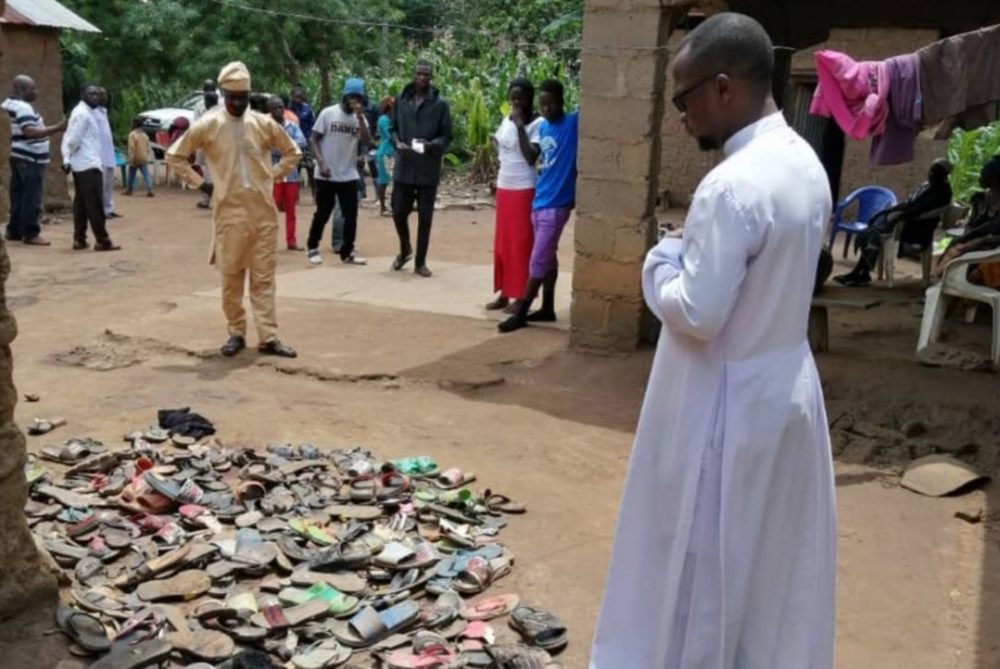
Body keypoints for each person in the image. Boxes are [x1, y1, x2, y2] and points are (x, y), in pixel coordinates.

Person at [589, 13, 835, 669]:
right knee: (769, 567)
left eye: (683, 99)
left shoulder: (732, 185)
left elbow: (698, 311)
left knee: (703, 564)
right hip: (784, 394)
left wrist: (659, 264)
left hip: (726, 406)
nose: (681, 117)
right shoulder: (804, 162)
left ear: (723, 87)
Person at [166, 61, 301, 359]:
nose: (238, 103)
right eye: (232, 98)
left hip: (263, 213)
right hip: (229, 213)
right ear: (224, 95)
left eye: (243, 97)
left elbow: (293, 152)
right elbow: (175, 156)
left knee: (264, 278)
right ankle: (236, 333)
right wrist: (202, 184)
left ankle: (269, 336)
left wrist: (272, 175)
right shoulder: (209, 124)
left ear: (249, 95)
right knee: (231, 277)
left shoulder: (263, 124)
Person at [497, 79, 577, 332]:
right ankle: (548, 308)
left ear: (562, 100)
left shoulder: (573, 122)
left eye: (551, 103)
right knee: (548, 258)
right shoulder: (544, 128)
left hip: (557, 203)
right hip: (540, 199)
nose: (546, 108)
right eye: (543, 104)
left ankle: (522, 312)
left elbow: (530, 157)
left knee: (538, 258)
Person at [834, 158, 953, 286]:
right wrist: (886, 212)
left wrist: (897, 216)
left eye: (935, 172)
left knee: (875, 233)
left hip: (918, 225)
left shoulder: (943, 193)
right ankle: (861, 273)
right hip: (906, 217)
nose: (931, 174)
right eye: (931, 171)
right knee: (873, 230)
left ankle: (861, 273)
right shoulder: (928, 187)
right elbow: (909, 204)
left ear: (944, 174)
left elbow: (920, 211)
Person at [390, 60, 453, 277]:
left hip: (428, 168)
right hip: (405, 166)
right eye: (419, 74)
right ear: (413, 75)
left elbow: (447, 136)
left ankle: (420, 262)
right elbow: (392, 128)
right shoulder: (401, 100)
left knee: (425, 218)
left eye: (426, 74)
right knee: (398, 211)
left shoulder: (440, 105)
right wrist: (397, 142)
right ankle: (405, 248)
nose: (422, 78)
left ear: (431, 77)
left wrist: (431, 145)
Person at [488, 78, 542, 314]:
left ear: (530, 99)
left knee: (521, 243)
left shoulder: (538, 123)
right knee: (503, 243)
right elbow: (499, 146)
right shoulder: (506, 120)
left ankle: (521, 296)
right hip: (504, 186)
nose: (516, 103)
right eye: (513, 99)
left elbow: (531, 157)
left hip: (524, 187)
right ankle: (504, 292)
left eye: (521, 98)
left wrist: (520, 127)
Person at [306, 78, 372, 267]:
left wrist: (360, 117)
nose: (354, 101)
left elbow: (367, 141)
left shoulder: (359, 119)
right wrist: (321, 162)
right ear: (344, 96)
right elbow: (313, 139)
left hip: (348, 173)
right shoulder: (328, 113)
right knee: (323, 212)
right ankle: (312, 246)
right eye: (351, 97)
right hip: (326, 173)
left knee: (350, 215)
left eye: (358, 98)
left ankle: (347, 251)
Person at [3, 74, 66, 246]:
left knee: (19, 195)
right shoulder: (23, 108)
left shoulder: (10, 104)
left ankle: (14, 230)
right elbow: (30, 132)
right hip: (30, 157)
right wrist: (57, 128)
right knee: (32, 197)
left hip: (18, 156)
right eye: (32, 89)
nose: (36, 92)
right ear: (21, 90)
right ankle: (31, 233)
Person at [61, 84, 120, 251]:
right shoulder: (82, 114)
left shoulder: (86, 112)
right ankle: (103, 240)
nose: (95, 97)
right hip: (88, 165)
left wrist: (68, 159)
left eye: (97, 94)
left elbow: (68, 136)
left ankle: (79, 239)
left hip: (83, 164)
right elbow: (72, 139)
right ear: (83, 95)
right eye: (91, 94)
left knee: (81, 204)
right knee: (95, 204)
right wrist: (67, 157)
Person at [933, 156, 1000, 274]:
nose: (980, 177)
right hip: (975, 236)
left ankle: (945, 272)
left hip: (991, 244)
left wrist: (974, 242)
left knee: (957, 249)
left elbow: (990, 230)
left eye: (983, 175)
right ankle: (938, 268)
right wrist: (966, 225)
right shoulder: (980, 198)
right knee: (951, 240)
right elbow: (973, 222)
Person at [267, 96, 308, 250]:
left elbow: (302, 141)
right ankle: (269, 242)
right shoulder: (266, 127)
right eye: (275, 108)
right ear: (270, 110)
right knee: (272, 209)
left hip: (291, 174)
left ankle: (291, 241)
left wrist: (284, 147)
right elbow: (264, 146)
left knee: (291, 210)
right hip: (273, 173)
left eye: (280, 107)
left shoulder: (292, 126)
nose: (278, 110)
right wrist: (287, 148)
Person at [95, 87, 120, 219]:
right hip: (99, 155)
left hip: (109, 154)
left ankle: (109, 208)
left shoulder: (104, 112)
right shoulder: (93, 113)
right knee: (101, 184)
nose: (104, 97)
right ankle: (101, 210)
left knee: (109, 184)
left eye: (105, 95)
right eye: (101, 95)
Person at [194, 80, 218, 210]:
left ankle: (209, 199)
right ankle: (208, 199)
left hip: (210, 142)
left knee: (209, 171)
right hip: (209, 143)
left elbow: (196, 125)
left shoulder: (221, 104)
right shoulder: (221, 104)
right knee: (208, 170)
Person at [374, 96, 396, 216]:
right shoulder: (383, 119)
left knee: (392, 180)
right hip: (387, 152)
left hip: (392, 152)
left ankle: (393, 205)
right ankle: (383, 207)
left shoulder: (391, 119)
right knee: (384, 180)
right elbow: (390, 135)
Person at [125, 117, 154, 197]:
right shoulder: (145, 135)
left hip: (135, 157)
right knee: (146, 174)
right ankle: (150, 189)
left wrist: (131, 159)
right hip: (144, 157)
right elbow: (148, 147)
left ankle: (129, 189)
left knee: (131, 174)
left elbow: (132, 148)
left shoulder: (132, 134)